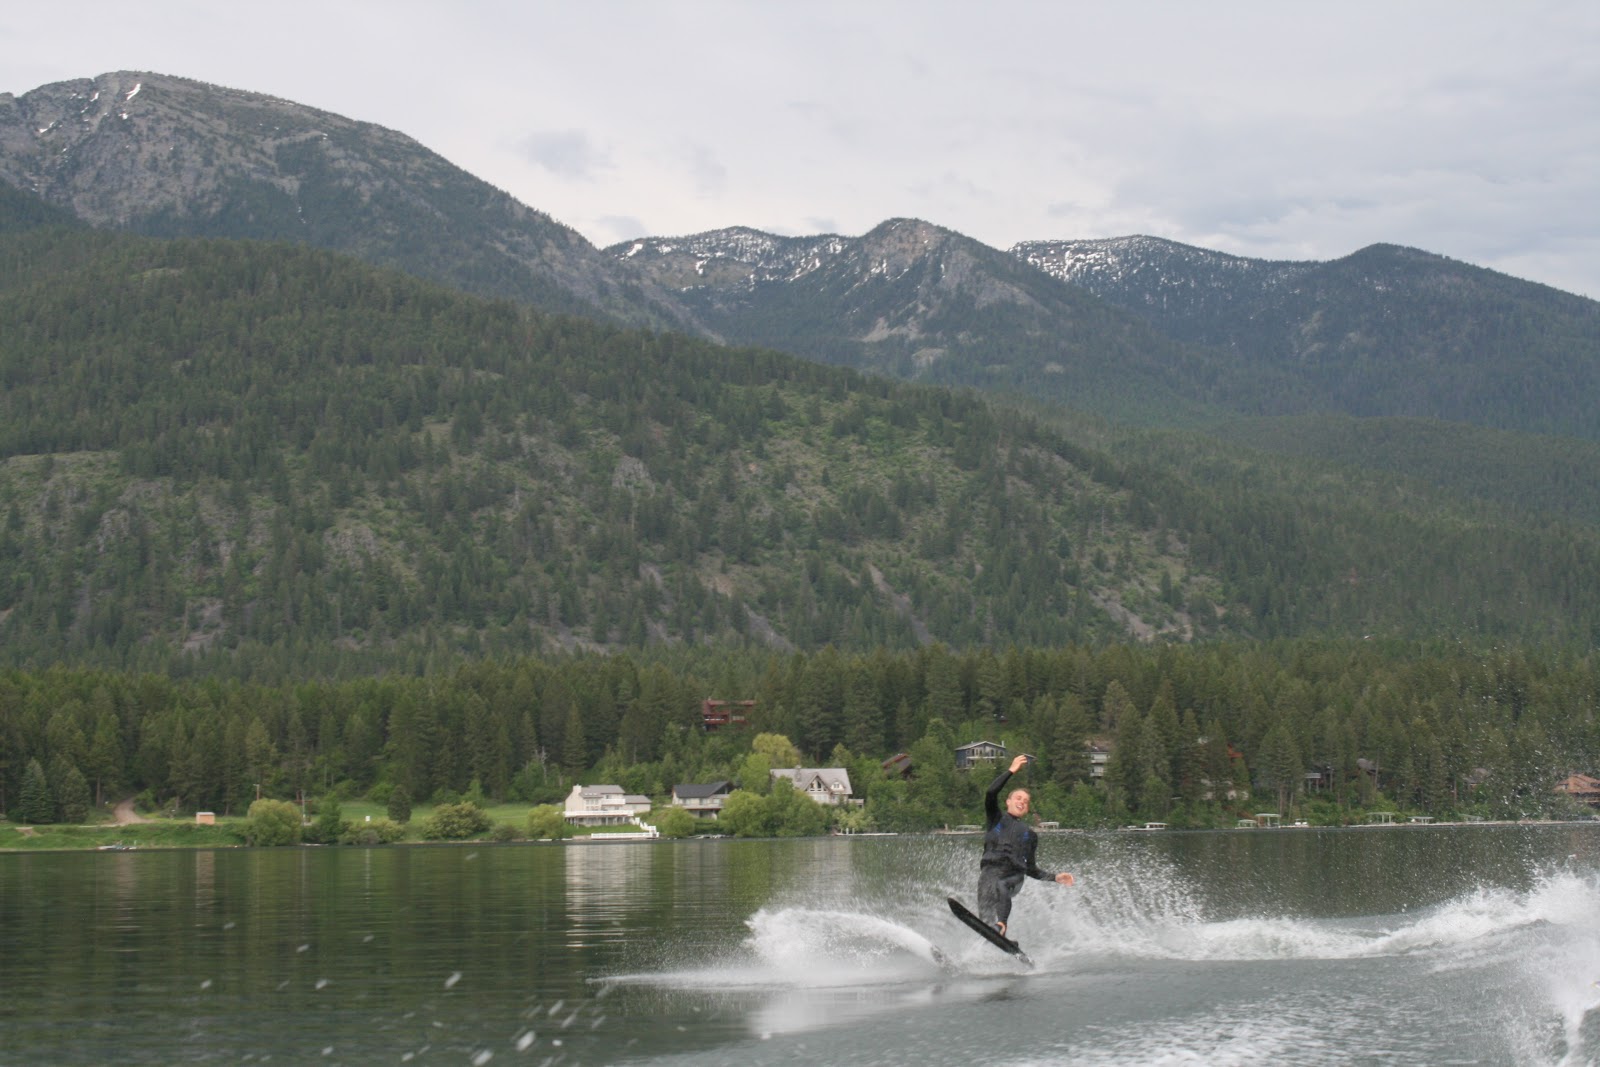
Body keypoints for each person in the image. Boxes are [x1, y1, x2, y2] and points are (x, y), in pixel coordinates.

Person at [977, 753, 1074, 938]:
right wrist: (1011, 771)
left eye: (1026, 801)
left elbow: (1031, 869)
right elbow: (990, 793)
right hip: (988, 875)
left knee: (1001, 886)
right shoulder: (995, 819)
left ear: (1027, 809)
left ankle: (1002, 924)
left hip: (1013, 877)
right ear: (1008, 802)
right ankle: (988, 948)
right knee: (985, 921)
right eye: (1018, 798)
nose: (1022, 802)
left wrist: (1055, 878)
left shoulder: (1029, 835)